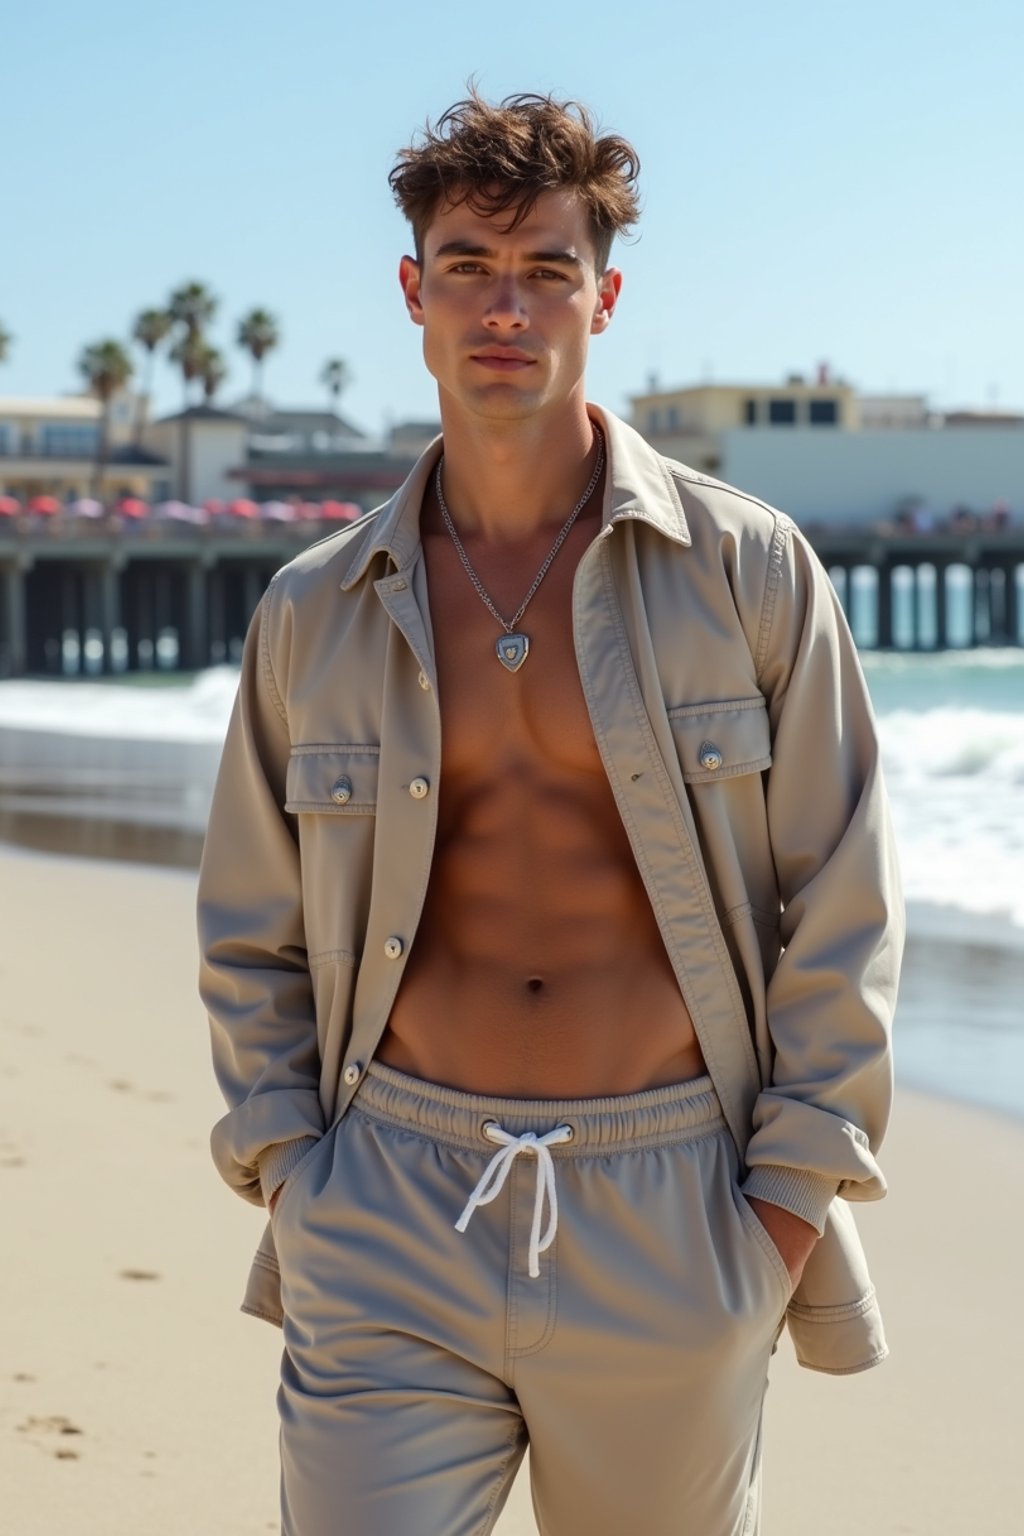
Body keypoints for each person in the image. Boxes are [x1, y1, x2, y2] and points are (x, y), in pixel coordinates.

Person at [198, 89, 904, 1536]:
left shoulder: (746, 573)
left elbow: (846, 902)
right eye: (466, 265)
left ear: (606, 293)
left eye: (545, 271)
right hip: (389, 1205)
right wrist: (297, 1180)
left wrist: (768, 1230)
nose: (504, 306)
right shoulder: (313, 613)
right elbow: (248, 929)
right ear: (413, 290)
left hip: (675, 1213)